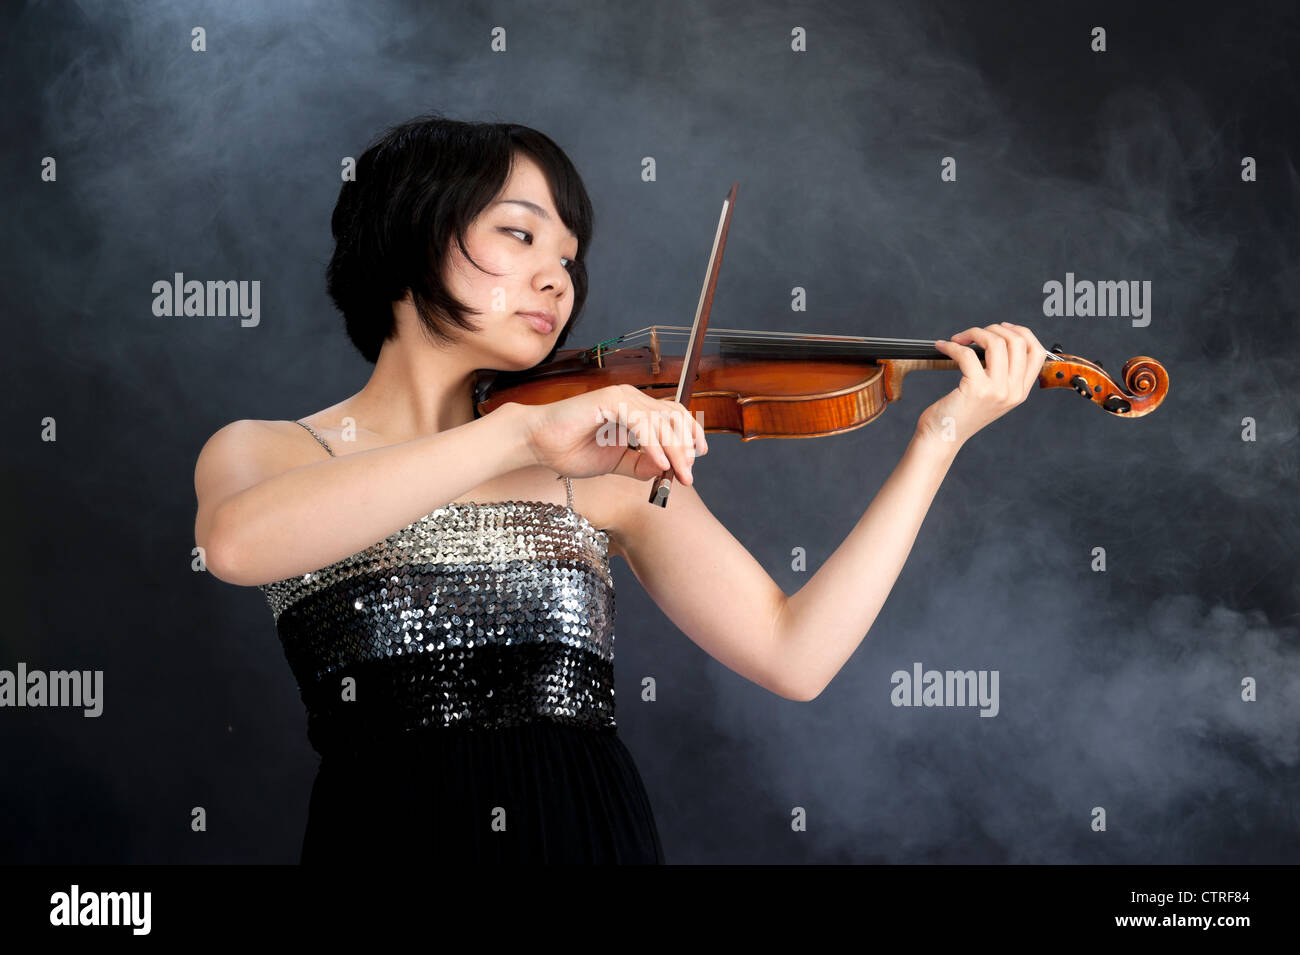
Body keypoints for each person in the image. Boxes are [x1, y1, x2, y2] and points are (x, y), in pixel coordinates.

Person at [192, 113, 1047, 865]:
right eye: (520, 236)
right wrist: (516, 435)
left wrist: (937, 440)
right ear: (411, 234)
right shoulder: (270, 451)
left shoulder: (594, 472)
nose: (558, 279)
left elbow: (797, 655)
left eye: (569, 256)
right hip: (383, 835)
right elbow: (235, 545)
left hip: (584, 835)